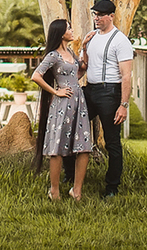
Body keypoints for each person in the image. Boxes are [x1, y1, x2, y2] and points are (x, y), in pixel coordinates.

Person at [70, 0, 134, 199]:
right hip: (90, 90)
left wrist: (123, 105)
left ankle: (112, 187)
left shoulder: (120, 41)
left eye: (100, 15)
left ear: (111, 16)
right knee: (72, 128)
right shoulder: (92, 37)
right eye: (95, 14)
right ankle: (69, 176)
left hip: (110, 92)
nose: (96, 18)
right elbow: (84, 65)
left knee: (112, 141)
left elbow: (126, 75)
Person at [32, 19, 93, 201]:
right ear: (60, 33)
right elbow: (36, 76)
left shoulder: (70, 53)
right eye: (69, 28)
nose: (72, 30)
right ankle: (54, 191)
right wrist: (55, 91)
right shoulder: (53, 55)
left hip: (78, 102)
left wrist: (84, 48)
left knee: (84, 146)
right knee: (57, 147)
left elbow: (80, 72)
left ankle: (77, 191)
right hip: (62, 104)